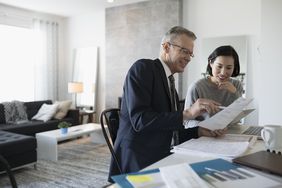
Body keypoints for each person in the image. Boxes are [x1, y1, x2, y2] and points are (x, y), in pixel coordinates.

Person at [109, 26, 226, 180]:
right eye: (184, 51)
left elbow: (167, 128)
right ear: (166, 47)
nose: (189, 58)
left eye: (191, 54)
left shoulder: (170, 83)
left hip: (162, 153)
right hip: (138, 158)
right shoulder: (143, 68)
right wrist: (188, 113)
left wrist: (198, 131)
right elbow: (140, 120)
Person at [184, 45, 244, 128]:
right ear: (211, 63)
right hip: (205, 136)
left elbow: (239, 116)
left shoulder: (236, 85)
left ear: (234, 68)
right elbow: (186, 122)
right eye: (219, 66)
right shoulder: (196, 87)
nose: (223, 72)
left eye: (229, 68)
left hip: (231, 133)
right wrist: (207, 128)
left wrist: (234, 93)